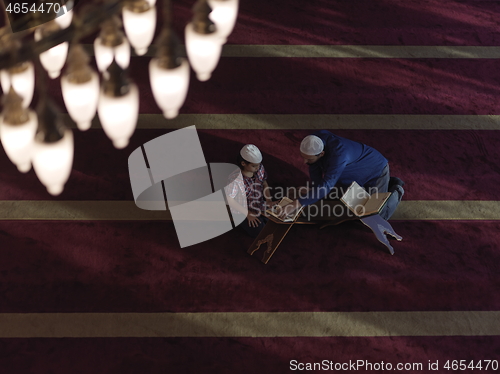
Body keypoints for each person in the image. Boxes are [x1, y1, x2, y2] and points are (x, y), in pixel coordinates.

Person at [279, 130, 405, 221]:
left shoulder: (339, 155)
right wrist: (311, 192)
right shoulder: (314, 142)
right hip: (353, 175)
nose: (304, 162)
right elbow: (317, 178)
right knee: (333, 198)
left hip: (376, 171)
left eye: (308, 159)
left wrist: (296, 204)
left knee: (376, 216)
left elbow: (325, 186)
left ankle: (395, 187)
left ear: (322, 154)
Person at [226, 144, 275, 238]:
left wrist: (268, 200)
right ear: (243, 163)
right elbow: (229, 200)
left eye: (259, 164)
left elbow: (264, 183)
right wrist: (248, 214)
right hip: (242, 210)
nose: (258, 168)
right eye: (254, 166)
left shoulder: (259, 168)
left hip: (259, 204)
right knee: (260, 232)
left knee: (277, 220)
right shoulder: (235, 179)